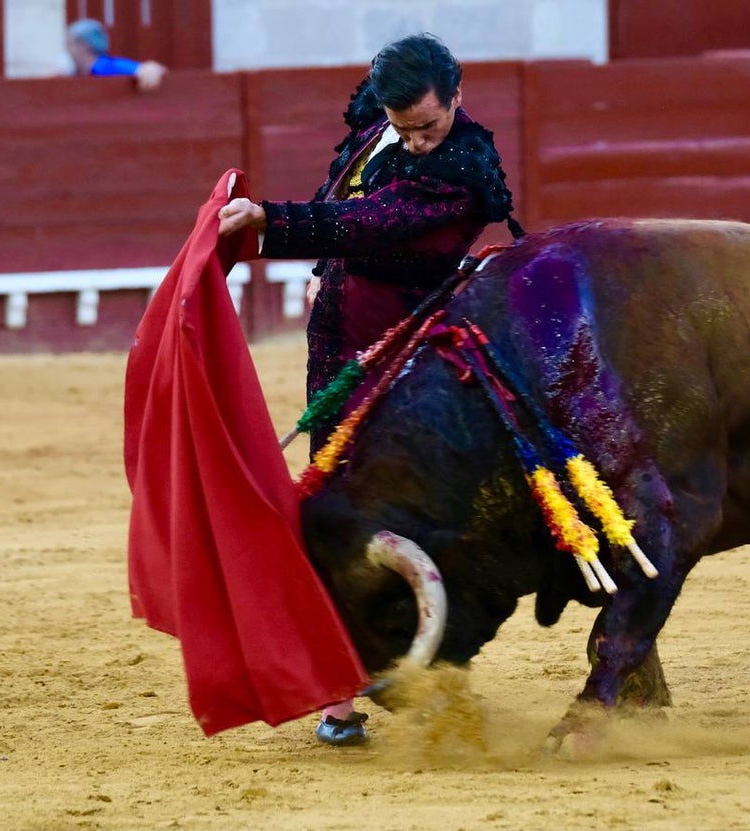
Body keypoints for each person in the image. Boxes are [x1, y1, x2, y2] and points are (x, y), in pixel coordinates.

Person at [217, 33, 522, 747]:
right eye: (404, 127)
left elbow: (371, 223)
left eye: (429, 126)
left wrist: (273, 221)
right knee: (338, 510)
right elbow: (346, 201)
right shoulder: (377, 128)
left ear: (457, 99)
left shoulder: (464, 166)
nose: (417, 142)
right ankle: (344, 690)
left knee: (401, 512)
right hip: (337, 352)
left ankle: (430, 672)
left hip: (409, 367)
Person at [66, 18, 166, 91]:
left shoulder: (111, 67)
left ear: (83, 45)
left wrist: (150, 69)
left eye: (70, 44)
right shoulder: (74, 73)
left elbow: (149, 71)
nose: (67, 50)